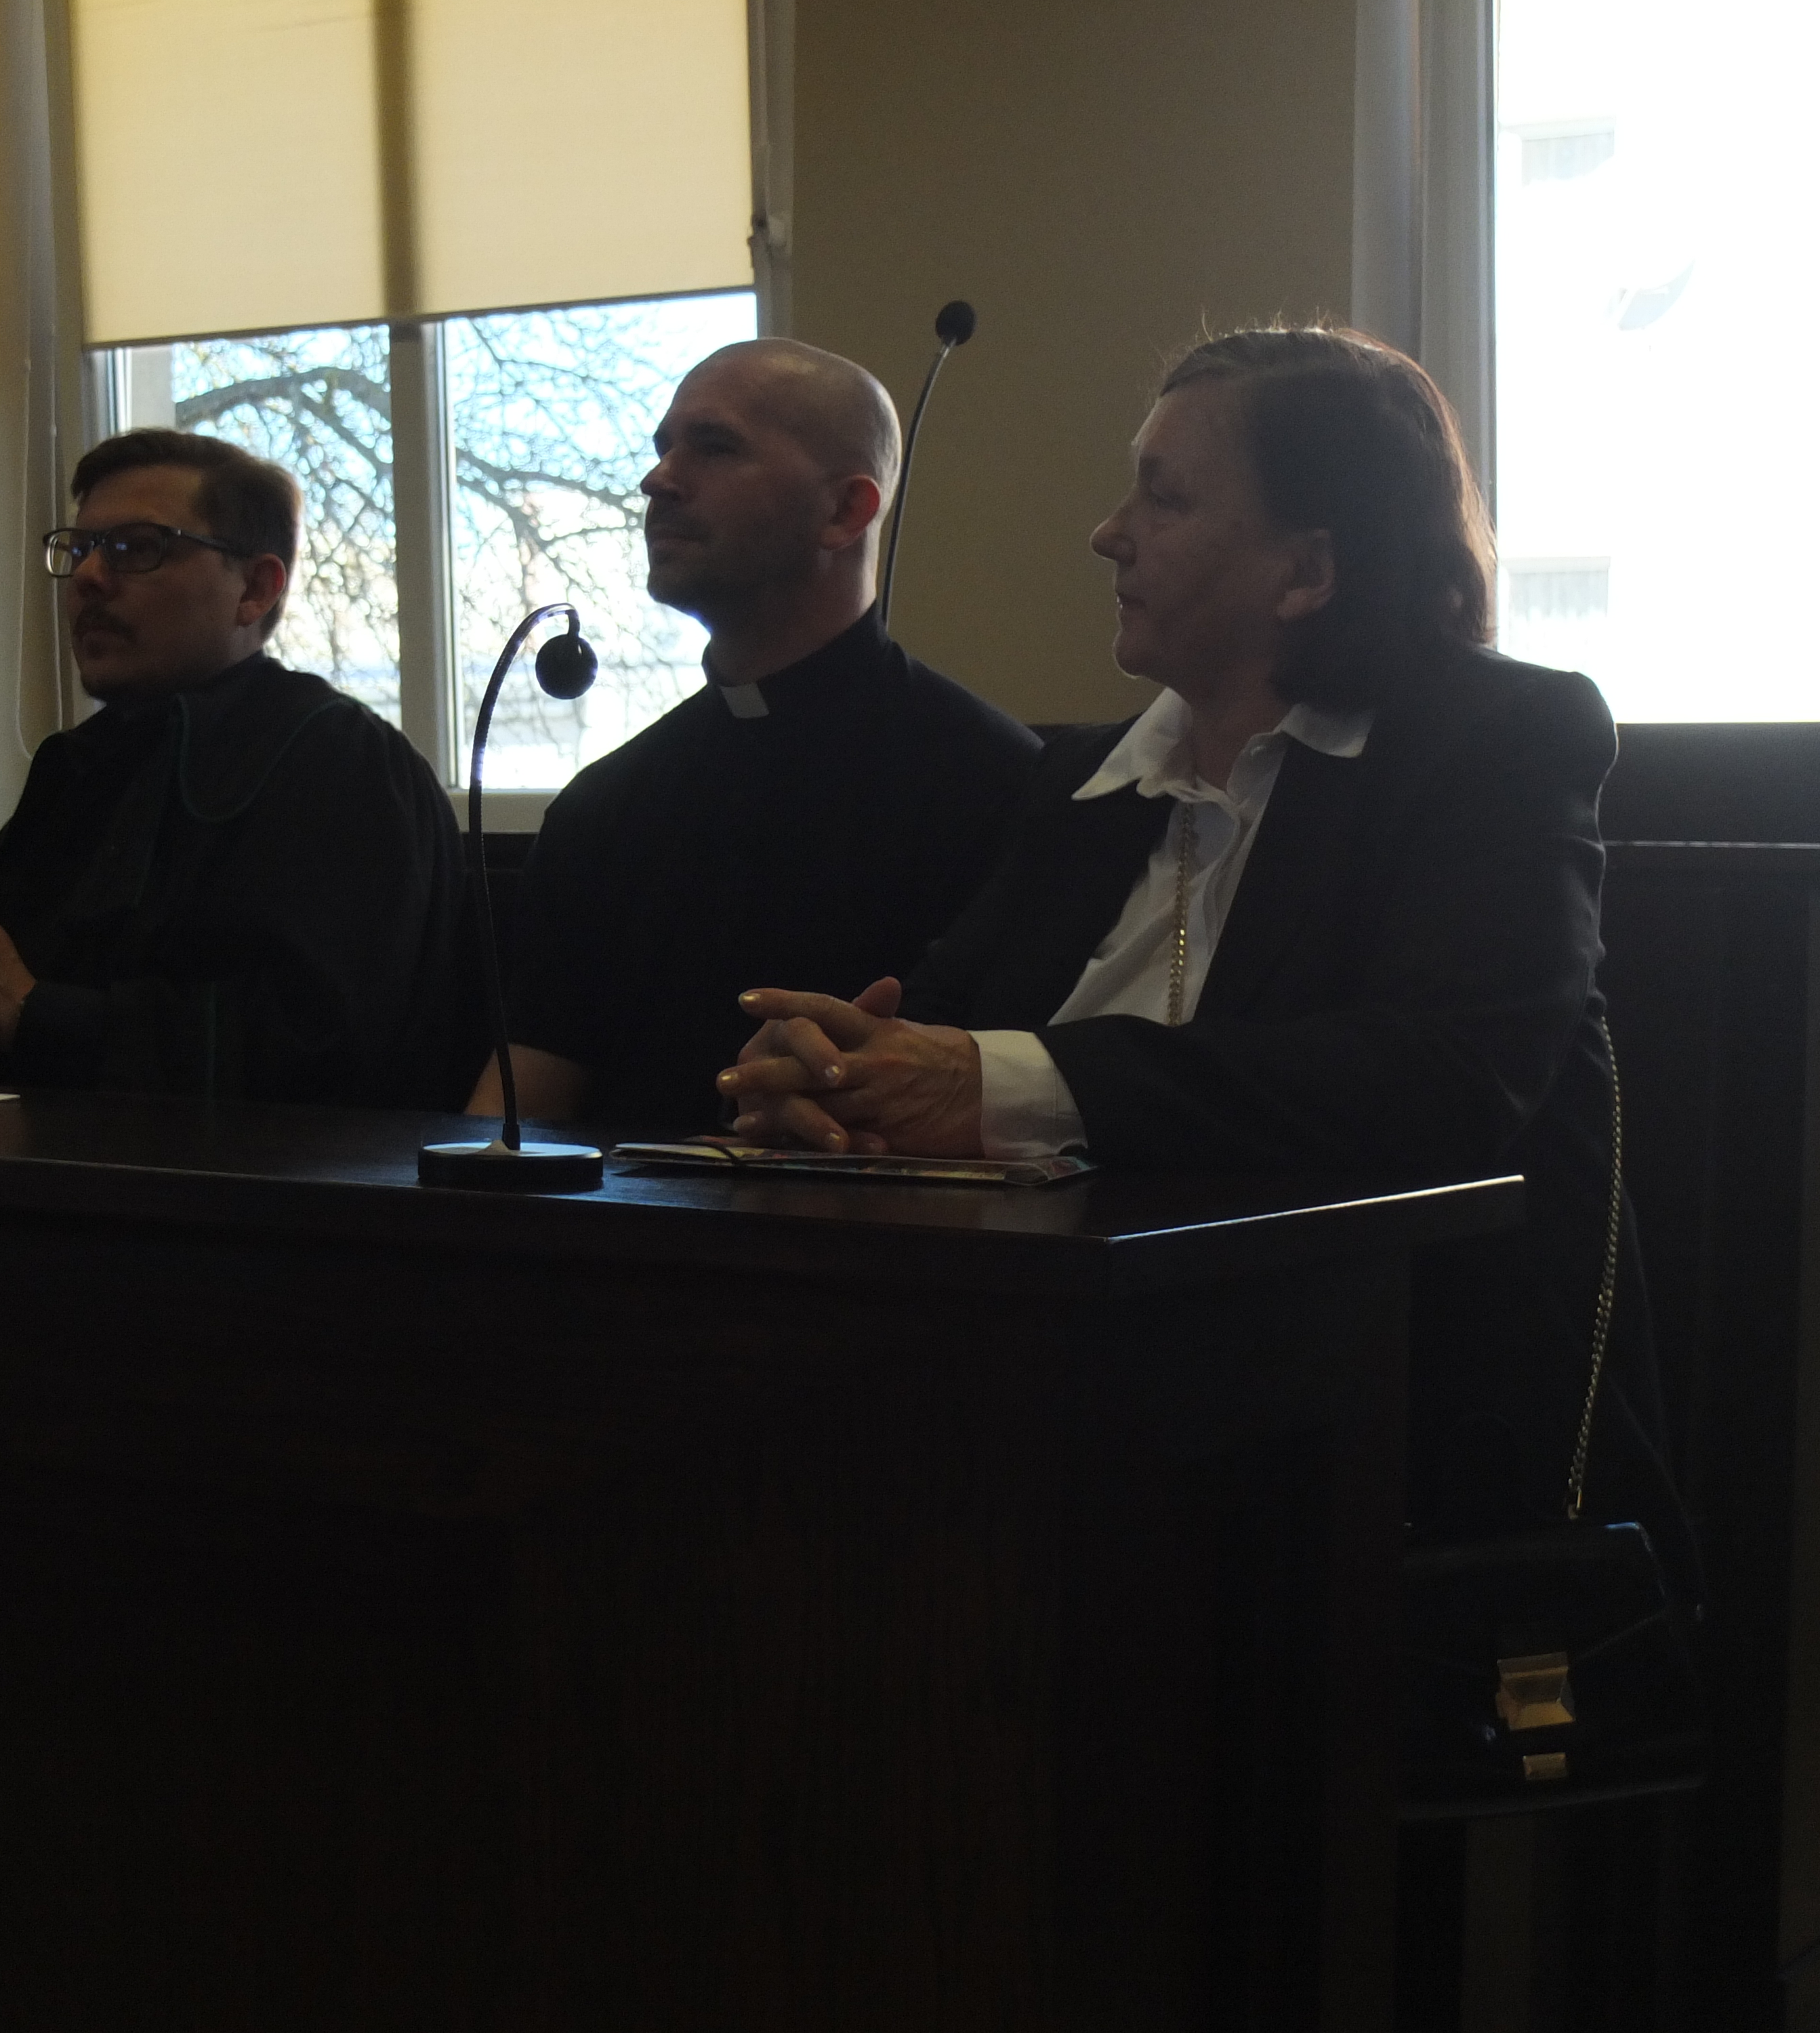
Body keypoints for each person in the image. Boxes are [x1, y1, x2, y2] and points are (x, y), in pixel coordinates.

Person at [720, 325, 1665, 1538]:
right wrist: (832, 1081)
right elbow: (940, 1033)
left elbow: (1447, 1079)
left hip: (1375, 1451)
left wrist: (1001, 1086)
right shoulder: (1080, 782)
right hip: (1039, 1410)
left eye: (1162, 499)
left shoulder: (1499, 742)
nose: (1107, 533)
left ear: (1305, 571)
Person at [469, 337, 1040, 1136]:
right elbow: (522, 1100)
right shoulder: (605, 805)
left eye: (714, 447)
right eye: (663, 448)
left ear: (845, 512)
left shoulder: (999, 788)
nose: (658, 480)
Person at [0, 429, 461, 1105]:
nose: (89, 577)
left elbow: (329, 1055)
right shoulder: (74, 768)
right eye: (81, 549)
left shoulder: (341, 759)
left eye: (138, 548)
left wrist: (38, 1014)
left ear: (256, 589)